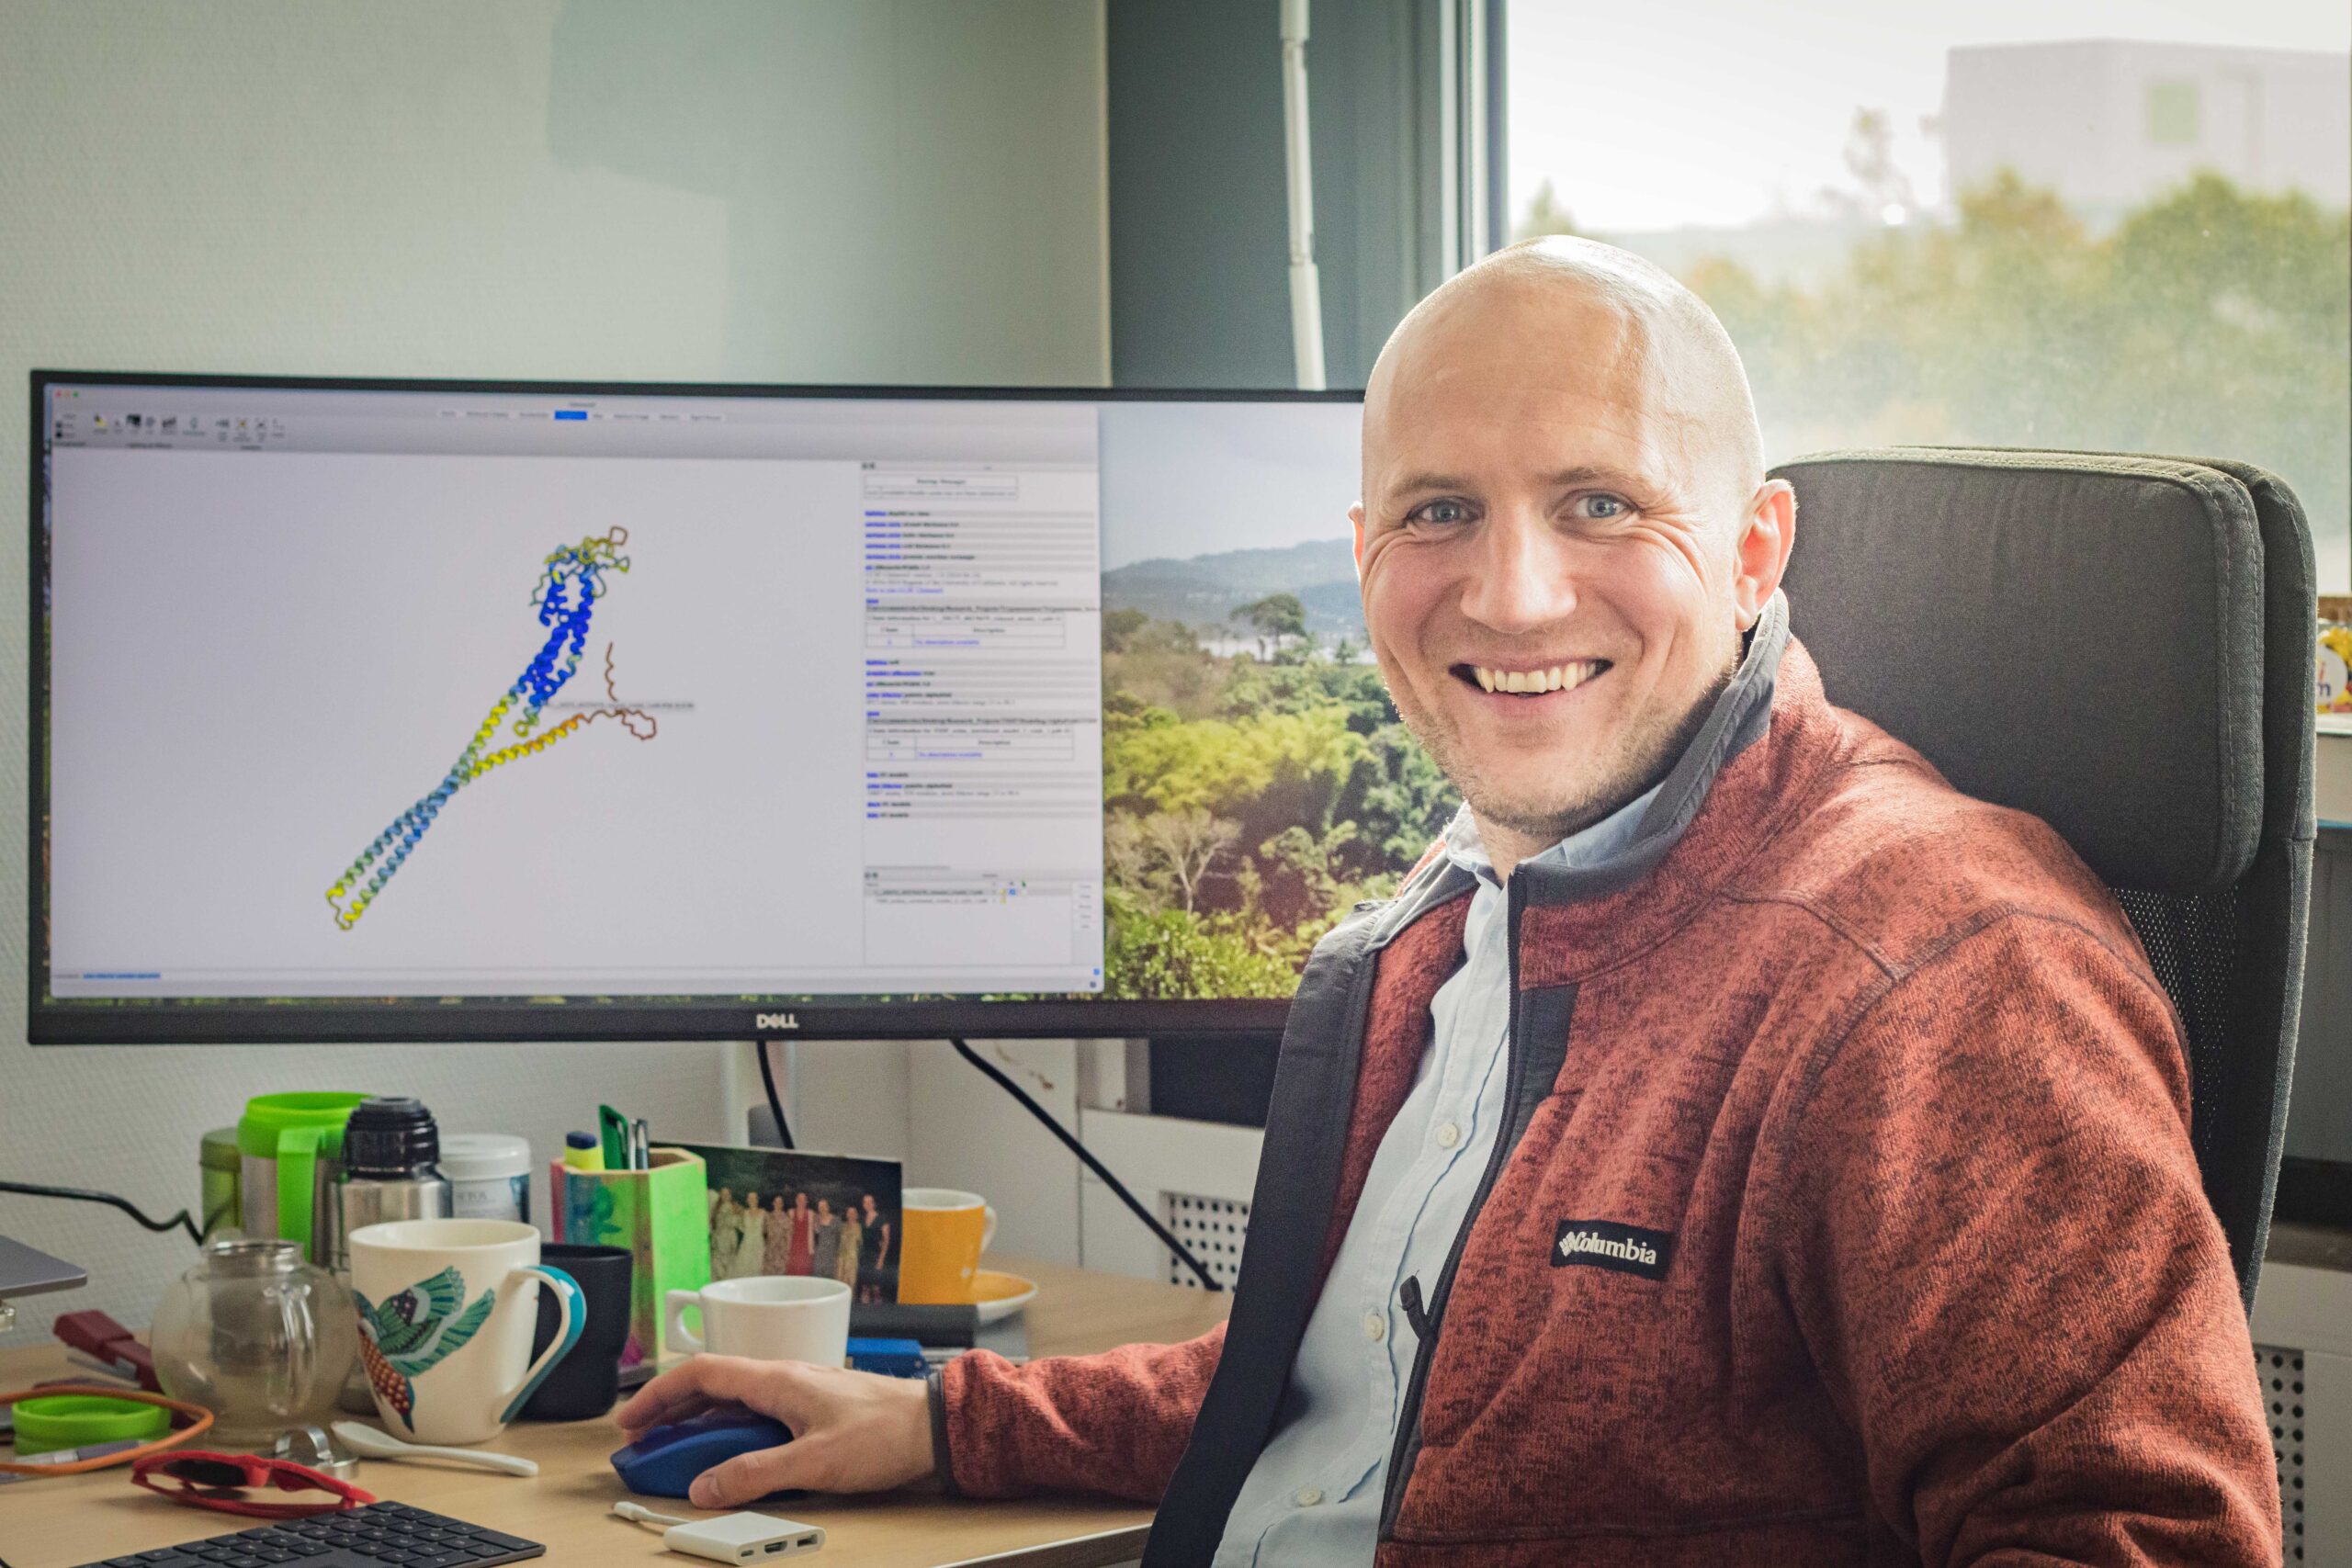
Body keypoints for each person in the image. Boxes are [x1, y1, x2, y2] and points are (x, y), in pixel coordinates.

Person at [619, 238, 2279, 1563]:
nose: (1510, 591)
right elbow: (1383, 1369)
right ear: (1362, 557)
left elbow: (2137, 1539)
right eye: (1441, 512)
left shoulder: (1936, 972)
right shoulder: (1471, 907)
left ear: (1760, 551)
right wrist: (946, 1423)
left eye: (1601, 503)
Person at [835, 1201, 864, 1292]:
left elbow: (861, 1245)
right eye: (849, 1212)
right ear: (846, 1214)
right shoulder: (842, 1227)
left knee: (851, 1285)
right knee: (839, 1284)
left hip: (852, 1260)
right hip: (841, 1259)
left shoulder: (860, 1227)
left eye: (853, 1212)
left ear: (857, 1215)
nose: (851, 1214)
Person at [811, 1198, 842, 1281]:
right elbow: (813, 1238)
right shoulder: (816, 1220)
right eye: (820, 1206)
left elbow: (840, 1239)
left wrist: (838, 1256)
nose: (822, 1208)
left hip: (831, 1256)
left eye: (824, 1206)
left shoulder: (836, 1220)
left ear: (828, 1207)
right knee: (818, 1281)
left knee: (830, 1281)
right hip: (819, 1256)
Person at [763, 1195, 794, 1278]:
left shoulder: (786, 1218)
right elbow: (763, 1232)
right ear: (773, 1203)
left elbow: (789, 1235)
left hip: (781, 1251)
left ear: (782, 1204)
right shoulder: (768, 1217)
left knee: (780, 1275)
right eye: (776, 1202)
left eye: (780, 1202)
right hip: (770, 1251)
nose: (778, 1204)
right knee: (768, 1275)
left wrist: (787, 1250)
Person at [785, 1191, 815, 1276]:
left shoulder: (811, 1214)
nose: (801, 1202)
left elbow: (817, 1228)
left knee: (804, 1274)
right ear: (796, 1201)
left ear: (806, 1202)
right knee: (791, 1273)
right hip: (793, 1248)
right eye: (799, 1200)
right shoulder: (790, 1213)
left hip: (806, 1249)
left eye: (803, 1200)